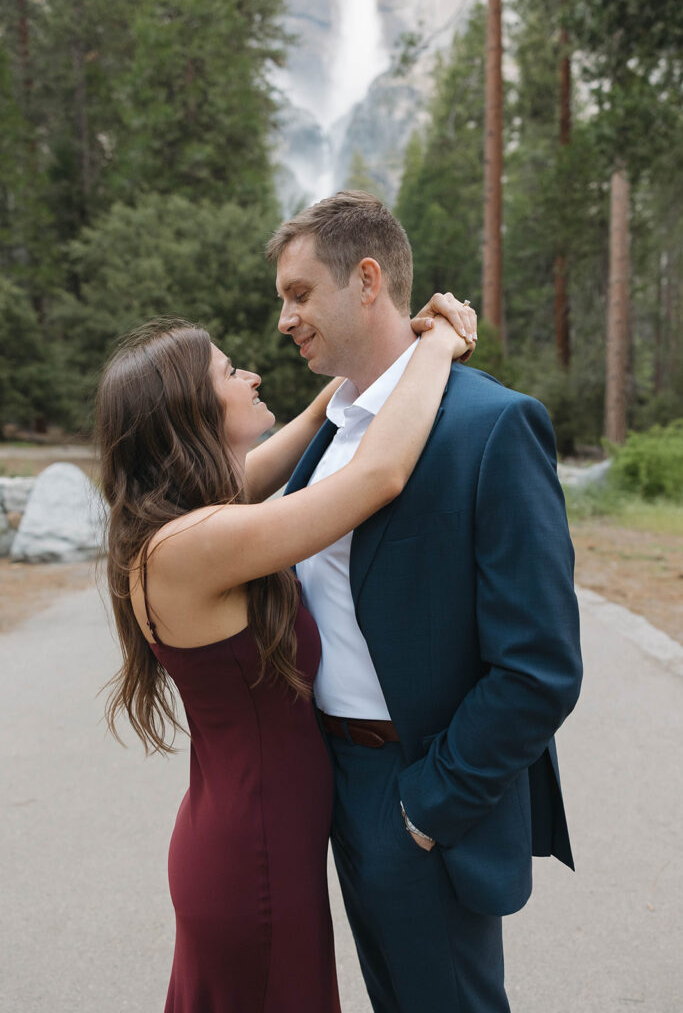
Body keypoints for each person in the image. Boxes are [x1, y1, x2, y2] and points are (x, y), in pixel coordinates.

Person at [95, 305, 473, 1012]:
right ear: (191, 410)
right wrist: (441, 347)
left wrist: (380, 346)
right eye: (229, 371)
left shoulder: (183, 522)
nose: (252, 372)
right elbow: (377, 476)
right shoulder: (193, 543)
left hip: (248, 840)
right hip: (253, 859)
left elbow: (308, 428)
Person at [266, 190, 583, 1013]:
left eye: (298, 294)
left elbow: (539, 667)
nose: (283, 319)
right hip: (338, 782)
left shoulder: (492, 426)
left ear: (366, 280)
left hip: (420, 790)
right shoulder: (330, 432)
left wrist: (424, 806)